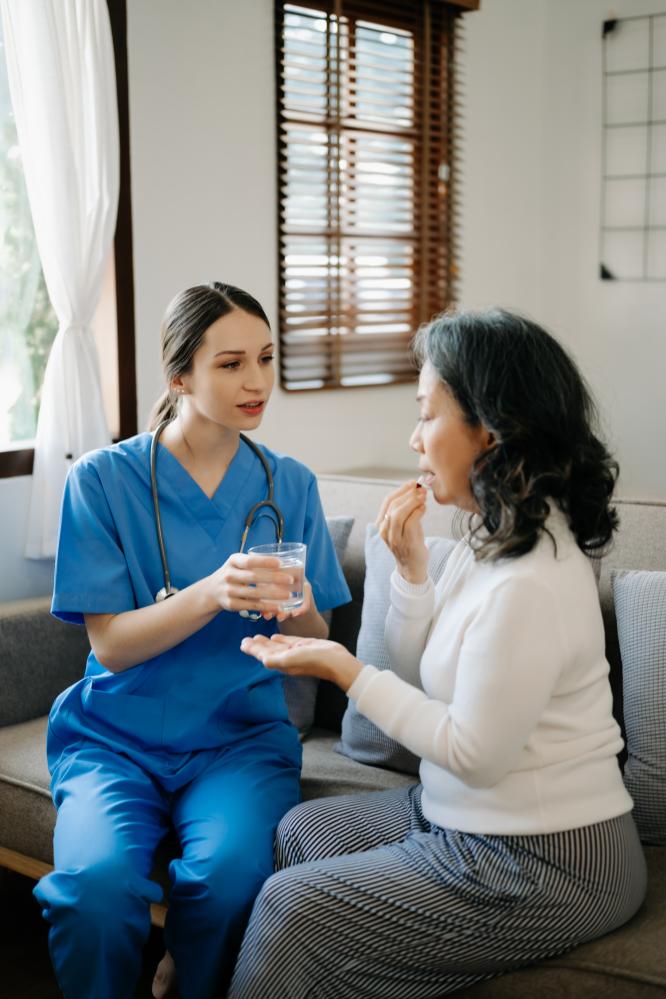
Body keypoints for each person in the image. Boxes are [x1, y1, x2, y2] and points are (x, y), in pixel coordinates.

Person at [230, 308, 647, 999]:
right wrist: (413, 571)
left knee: (290, 908)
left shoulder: (532, 579)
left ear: (489, 431)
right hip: (459, 814)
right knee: (302, 829)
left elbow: (475, 752)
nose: (413, 438)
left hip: (547, 856)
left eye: (427, 415)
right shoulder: (494, 536)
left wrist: (342, 666)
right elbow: (425, 671)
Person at [33, 282, 351, 999]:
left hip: (239, 738)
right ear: (180, 375)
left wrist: (294, 603)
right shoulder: (101, 482)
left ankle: (189, 964)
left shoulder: (287, 484)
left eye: (266, 359)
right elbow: (110, 646)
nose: (258, 381)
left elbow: (318, 631)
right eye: (233, 363)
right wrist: (213, 591)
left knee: (232, 881)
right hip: (116, 737)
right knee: (93, 888)